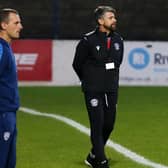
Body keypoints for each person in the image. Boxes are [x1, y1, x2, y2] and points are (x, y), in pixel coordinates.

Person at [72, 6, 124, 168]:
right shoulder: (88, 41)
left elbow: (117, 63)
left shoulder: (118, 40)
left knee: (109, 124)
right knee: (97, 123)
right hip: (93, 89)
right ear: (100, 21)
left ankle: (94, 154)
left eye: (114, 17)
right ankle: (101, 161)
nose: (114, 20)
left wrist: (102, 67)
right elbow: (77, 64)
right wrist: (87, 79)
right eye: (110, 17)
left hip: (111, 88)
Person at [0, 8, 23, 168]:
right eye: (16, 23)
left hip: (9, 114)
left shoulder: (6, 48)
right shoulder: (0, 49)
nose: (20, 26)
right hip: (2, 114)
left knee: (9, 162)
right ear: (3, 25)